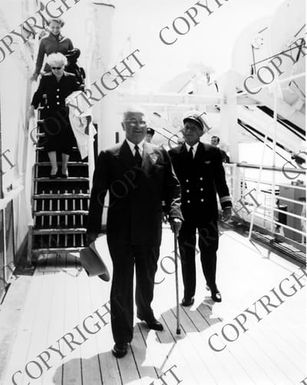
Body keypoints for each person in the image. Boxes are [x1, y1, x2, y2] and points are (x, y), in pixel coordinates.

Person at [86, 108, 183, 358]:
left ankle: (145, 311)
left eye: (142, 122)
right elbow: (97, 194)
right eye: (132, 122)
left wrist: (175, 211)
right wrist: (92, 230)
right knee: (121, 284)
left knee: (148, 277)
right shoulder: (109, 156)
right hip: (120, 233)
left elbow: (173, 187)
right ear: (123, 125)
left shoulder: (159, 153)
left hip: (150, 230)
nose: (137, 126)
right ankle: (121, 336)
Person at [169, 113, 232, 305]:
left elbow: (220, 181)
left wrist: (226, 205)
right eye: (186, 127)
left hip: (207, 211)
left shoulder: (212, 153)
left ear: (200, 133)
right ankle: (189, 293)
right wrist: (170, 211)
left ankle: (212, 286)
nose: (188, 131)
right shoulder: (174, 154)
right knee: (187, 253)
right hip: (184, 213)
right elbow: (170, 186)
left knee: (209, 250)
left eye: (193, 128)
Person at [29, 53, 81, 178]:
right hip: (50, 114)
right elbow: (39, 93)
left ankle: (64, 167)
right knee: (50, 141)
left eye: (59, 68)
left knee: (66, 141)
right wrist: (32, 107)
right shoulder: (46, 78)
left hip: (67, 115)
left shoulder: (71, 78)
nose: (56, 71)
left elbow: (79, 94)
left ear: (64, 66)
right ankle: (54, 167)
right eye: (53, 68)